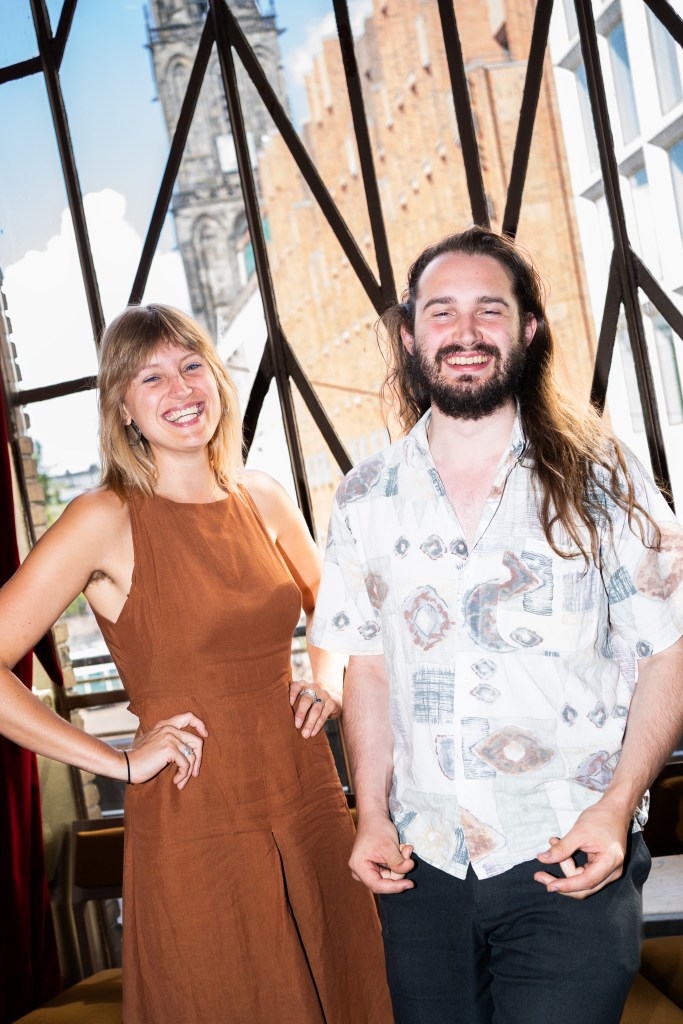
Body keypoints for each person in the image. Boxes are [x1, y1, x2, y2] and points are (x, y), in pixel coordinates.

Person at [309, 226, 683, 1024]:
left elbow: (669, 651)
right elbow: (367, 665)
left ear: (528, 329)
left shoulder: (602, 474)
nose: (466, 331)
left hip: (566, 850)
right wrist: (369, 815)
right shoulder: (364, 495)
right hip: (421, 866)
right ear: (409, 336)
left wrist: (616, 805)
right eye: (441, 311)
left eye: (490, 309)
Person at [0, 304, 392, 1024]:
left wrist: (325, 681)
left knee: (349, 989)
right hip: (196, 816)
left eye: (190, 366)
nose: (180, 389)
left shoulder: (263, 496)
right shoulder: (103, 518)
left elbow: (332, 608)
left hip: (306, 794)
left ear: (216, 378)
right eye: (150, 377)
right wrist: (116, 761)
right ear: (122, 407)